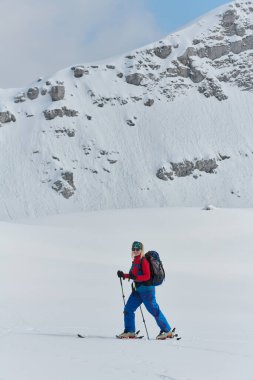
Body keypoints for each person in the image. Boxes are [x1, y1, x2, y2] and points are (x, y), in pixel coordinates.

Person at [117, 241, 174, 340]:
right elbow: (133, 275)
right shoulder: (135, 261)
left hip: (147, 291)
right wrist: (124, 275)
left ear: (141, 250)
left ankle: (167, 331)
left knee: (154, 310)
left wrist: (136, 277)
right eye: (133, 249)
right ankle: (130, 332)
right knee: (128, 309)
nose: (135, 251)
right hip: (138, 290)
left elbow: (147, 276)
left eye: (137, 249)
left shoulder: (143, 261)